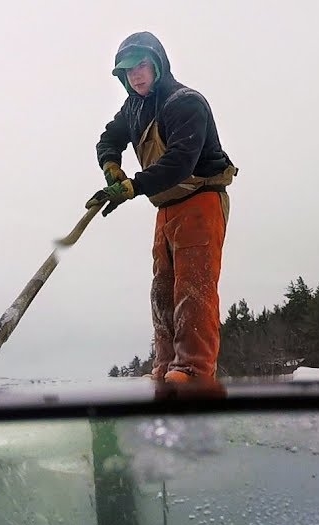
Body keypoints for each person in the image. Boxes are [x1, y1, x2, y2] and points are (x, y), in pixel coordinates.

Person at [86, 31, 238, 384]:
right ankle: (165, 366)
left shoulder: (185, 103)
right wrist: (111, 167)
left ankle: (193, 371)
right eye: (127, 70)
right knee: (162, 291)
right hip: (165, 207)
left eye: (141, 65)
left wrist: (133, 186)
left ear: (157, 64)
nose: (135, 75)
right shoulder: (133, 108)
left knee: (193, 287)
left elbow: (180, 162)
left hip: (201, 200)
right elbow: (108, 139)